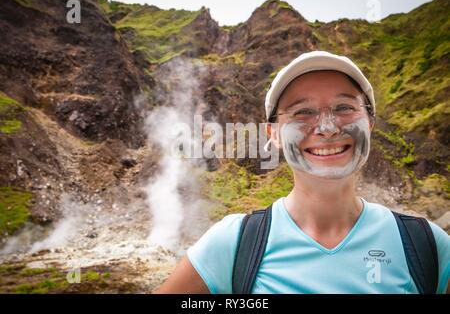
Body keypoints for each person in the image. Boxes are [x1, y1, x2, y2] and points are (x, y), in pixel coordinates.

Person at [155, 51, 450, 294]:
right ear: (275, 134)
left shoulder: (426, 246)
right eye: (302, 112)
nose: (327, 127)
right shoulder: (233, 245)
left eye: (345, 107)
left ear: (369, 123)